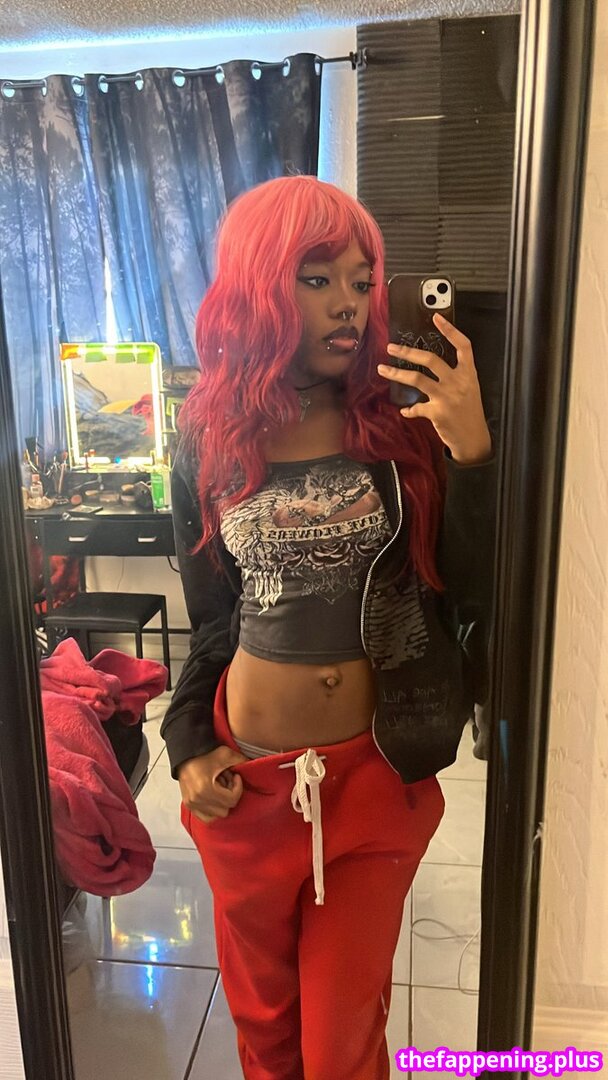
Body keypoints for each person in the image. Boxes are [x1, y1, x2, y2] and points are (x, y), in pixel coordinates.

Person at [160, 175, 497, 1080]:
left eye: (361, 279)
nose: (349, 304)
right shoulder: (207, 436)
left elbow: (468, 590)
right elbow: (212, 617)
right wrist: (187, 742)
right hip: (246, 782)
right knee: (265, 1029)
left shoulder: (406, 422)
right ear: (258, 289)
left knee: (343, 1041)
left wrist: (473, 453)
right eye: (317, 280)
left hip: (374, 778)